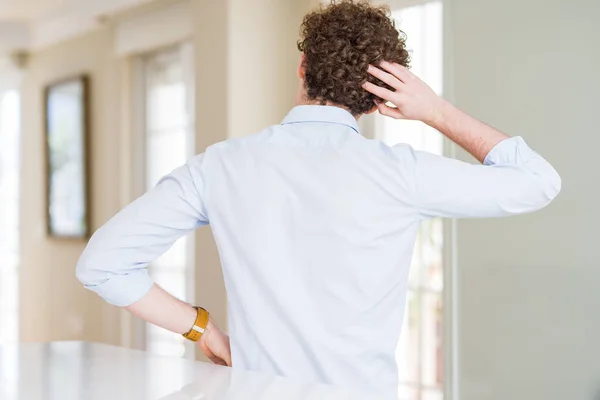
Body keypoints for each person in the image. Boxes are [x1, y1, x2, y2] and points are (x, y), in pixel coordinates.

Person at [76, 0, 560, 393]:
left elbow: (101, 263)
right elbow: (538, 182)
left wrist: (205, 330)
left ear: (303, 66)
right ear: (377, 99)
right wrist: (433, 110)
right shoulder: (401, 174)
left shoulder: (220, 166)